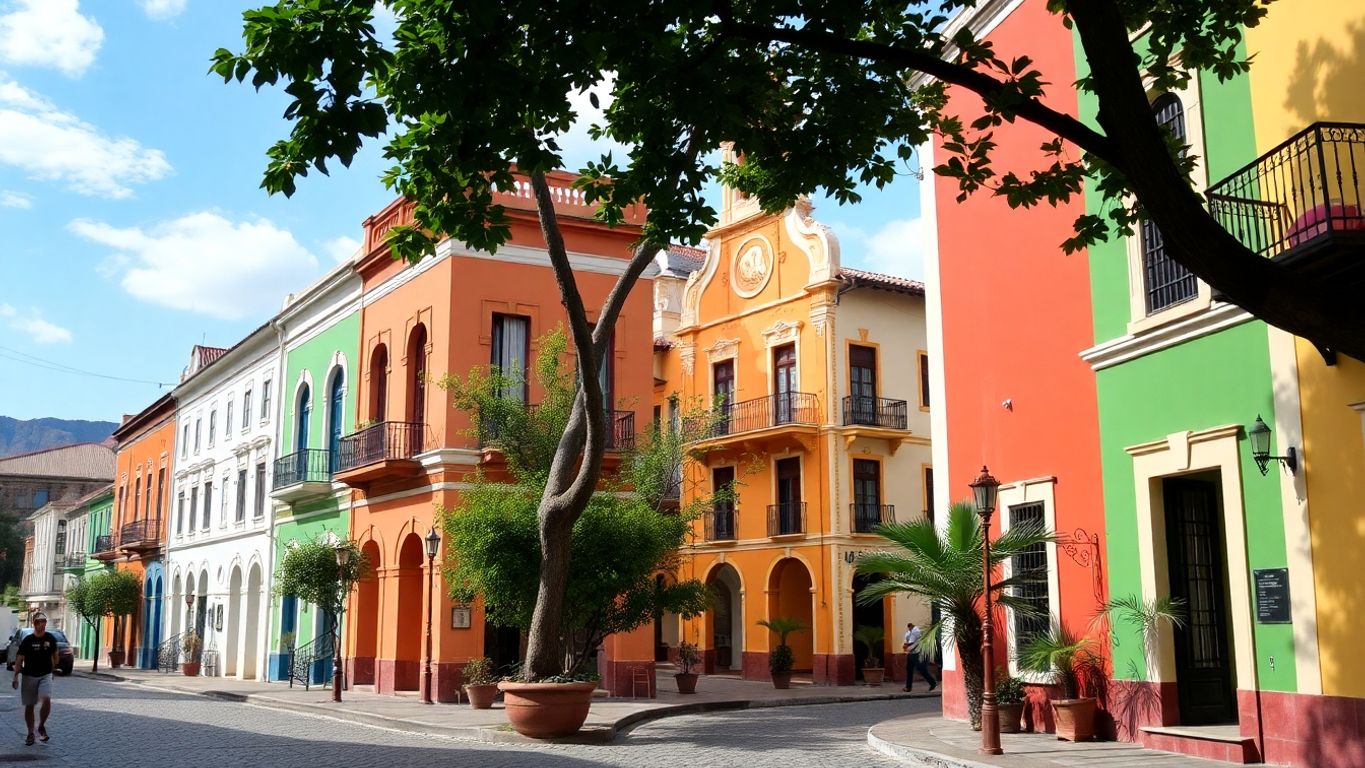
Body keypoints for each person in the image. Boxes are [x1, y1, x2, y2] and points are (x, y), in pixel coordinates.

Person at [11, 612, 59, 746]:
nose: (41, 624)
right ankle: (30, 732)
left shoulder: (50, 638)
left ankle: (41, 725)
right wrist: (15, 676)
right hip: (29, 676)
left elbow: (54, 655)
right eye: (38, 621)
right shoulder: (28, 640)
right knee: (30, 705)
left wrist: (53, 668)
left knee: (47, 698)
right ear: (34, 623)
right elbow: (19, 658)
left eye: (43, 621)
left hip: (45, 674)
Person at [902, 621, 937, 692]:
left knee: (921, 669)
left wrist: (906, 646)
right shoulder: (909, 632)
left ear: (912, 626)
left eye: (910, 627)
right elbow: (907, 641)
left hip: (918, 653)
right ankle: (908, 687)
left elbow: (911, 642)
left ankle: (933, 683)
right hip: (911, 653)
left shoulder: (916, 632)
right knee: (909, 669)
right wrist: (905, 646)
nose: (909, 629)